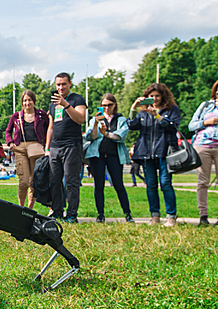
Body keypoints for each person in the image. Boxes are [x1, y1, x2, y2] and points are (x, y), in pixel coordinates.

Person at [129, 83, 180, 227]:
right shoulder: (143, 113)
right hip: (146, 153)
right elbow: (132, 125)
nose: (154, 98)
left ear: (163, 96)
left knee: (165, 184)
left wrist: (157, 115)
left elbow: (173, 127)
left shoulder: (171, 110)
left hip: (165, 152)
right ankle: (155, 216)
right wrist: (134, 108)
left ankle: (171, 216)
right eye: (151, 96)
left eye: (157, 95)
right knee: (151, 185)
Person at [84, 93, 134, 223]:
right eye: (103, 105)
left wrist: (106, 134)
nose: (106, 108)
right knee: (98, 186)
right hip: (98, 155)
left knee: (118, 184)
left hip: (114, 156)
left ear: (114, 105)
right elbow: (91, 137)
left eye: (109, 105)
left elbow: (121, 136)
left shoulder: (121, 120)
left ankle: (127, 213)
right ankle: (100, 214)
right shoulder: (95, 120)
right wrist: (95, 125)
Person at [48, 73, 87, 223]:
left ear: (70, 83)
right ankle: (57, 212)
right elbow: (51, 127)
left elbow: (80, 119)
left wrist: (66, 105)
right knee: (55, 181)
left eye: (63, 84)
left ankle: (71, 215)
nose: (60, 87)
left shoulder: (77, 99)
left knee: (71, 182)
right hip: (55, 147)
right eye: (58, 85)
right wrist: (47, 148)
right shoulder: (53, 103)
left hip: (72, 145)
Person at [5, 90, 52, 209]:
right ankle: (21, 207)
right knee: (24, 181)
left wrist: (47, 146)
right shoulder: (16, 116)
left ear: (34, 101)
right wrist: (10, 142)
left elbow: (48, 130)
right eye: (25, 100)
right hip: (21, 149)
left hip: (36, 149)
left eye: (29, 100)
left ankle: (29, 209)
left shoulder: (41, 115)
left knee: (33, 181)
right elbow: (8, 131)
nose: (27, 103)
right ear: (22, 102)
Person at [188, 79, 218, 225]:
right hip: (203, 146)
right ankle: (203, 216)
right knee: (203, 182)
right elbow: (191, 125)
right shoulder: (206, 106)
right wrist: (206, 122)